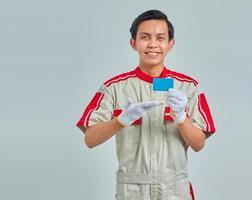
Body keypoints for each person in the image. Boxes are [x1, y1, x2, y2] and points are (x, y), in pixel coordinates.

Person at [76, 9, 216, 200]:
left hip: (174, 189)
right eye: (145, 37)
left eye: (160, 38)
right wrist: (121, 120)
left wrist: (181, 117)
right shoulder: (114, 88)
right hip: (132, 190)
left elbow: (198, 144)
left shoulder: (188, 87)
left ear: (170, 44)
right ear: (133, 43)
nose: (153, 44)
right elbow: (90, 139)